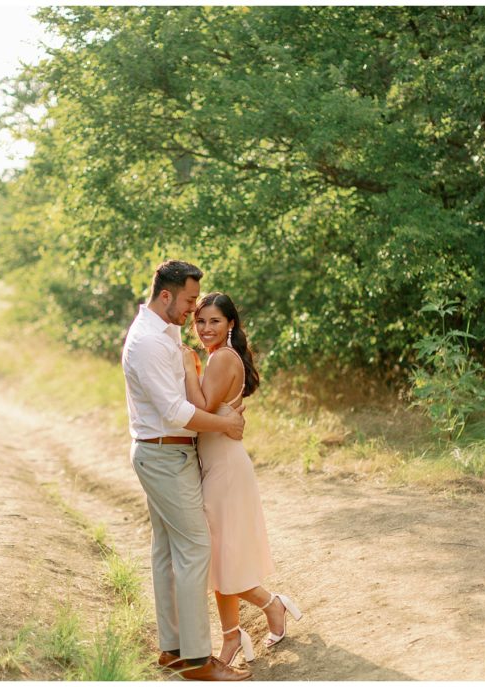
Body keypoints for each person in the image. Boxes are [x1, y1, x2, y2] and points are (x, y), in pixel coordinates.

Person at [122, 261, 252, 681]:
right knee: (196, 548)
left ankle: (173, 651)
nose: (193, 311)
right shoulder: (148, 342)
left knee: (167, 554)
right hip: (164, 454)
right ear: (166, 296)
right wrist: (227, 424)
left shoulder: (166, 332)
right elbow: (177, 412)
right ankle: (197, 661)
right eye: (190, 301)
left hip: (165, 453)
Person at [181, 292, 303, 667]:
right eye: (200, 321)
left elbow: (198, 407)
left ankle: (272, 605)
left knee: (222, 560)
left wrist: (187, 364)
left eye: (214, 321)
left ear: (230, 324)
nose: (205, 329)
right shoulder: (219, 358)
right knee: (220, 560)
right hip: (217, 466)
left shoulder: (221, 358)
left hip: (227, 472)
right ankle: (235, 635)